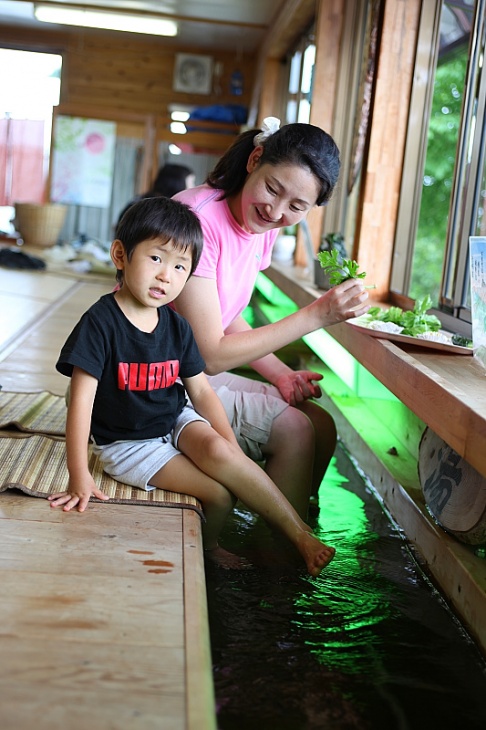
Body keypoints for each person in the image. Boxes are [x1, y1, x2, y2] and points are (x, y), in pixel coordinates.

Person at [48, 196, 335, 577]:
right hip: (129, 443)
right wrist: (78, 473)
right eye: (156, 258)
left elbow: (200, 393)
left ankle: (300, 535)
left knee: (220, 449)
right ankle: (211, 545)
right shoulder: (100, 323)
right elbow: (81, 404)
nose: (166, 275)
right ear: (120, 255)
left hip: (173, 418)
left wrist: (234, 452)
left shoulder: (177, 327)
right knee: (219, 496)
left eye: (180, 266)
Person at [173, 118, 370, 519]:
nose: (276, 211)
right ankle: (278, 558)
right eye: (272, 189)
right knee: (296, 431)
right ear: (255, 159)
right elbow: (210, 353)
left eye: (297, 207)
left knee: (321, 425)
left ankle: (277, 531)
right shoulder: (196, 222)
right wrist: (318, 314)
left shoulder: (263, 225)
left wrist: (281, 375)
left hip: (192, 373)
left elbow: (225, 319)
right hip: (153, 379)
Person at [116, 162, 195, 226]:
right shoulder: (156, 210)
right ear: (176, 184)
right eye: (191, 183)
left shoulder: (143, 200)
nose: (193, 188)